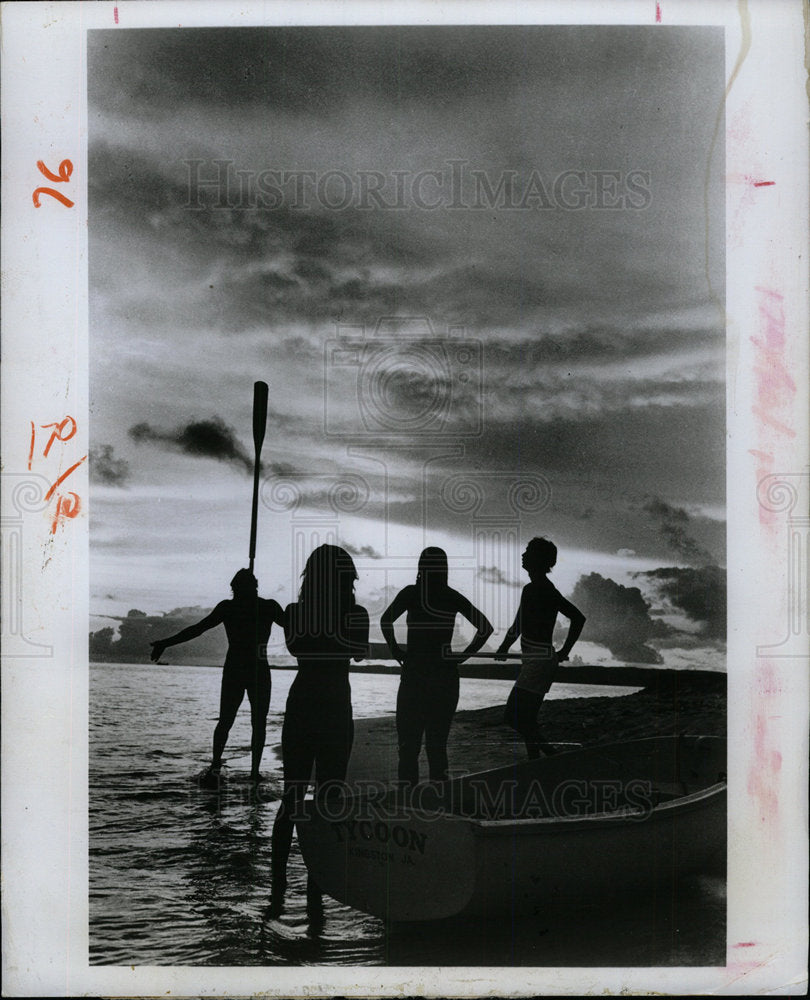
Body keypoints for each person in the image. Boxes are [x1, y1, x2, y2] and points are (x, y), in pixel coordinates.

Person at [267, 544, 369, 919]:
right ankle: (303, 893)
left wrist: (323, 631)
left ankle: (285, 891)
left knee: (301, 799)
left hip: (310, 705)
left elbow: (310, 646)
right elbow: (354, 650)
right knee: (316, 801)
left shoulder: (301, 613)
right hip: (332, 707)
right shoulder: (349, 614)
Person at [149, 569, 284, 785]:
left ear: (250, 587)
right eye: (236, 591)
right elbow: (197, 629)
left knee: (254, 722)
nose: (238, 594)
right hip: (241, 670)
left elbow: (294, 626)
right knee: (229, 720)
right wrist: (166, 642)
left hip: (252, 670)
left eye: (240, 589)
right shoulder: (233, 607)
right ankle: (216, 766)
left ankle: (252, 771)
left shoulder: (267, 607)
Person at [381, 547, 494, 787]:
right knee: (436, 746)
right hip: (443, 675)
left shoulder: (412, 593)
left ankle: (408, 801)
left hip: (416, 674)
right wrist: (464, 656)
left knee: (409, 747)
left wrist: (395, 650)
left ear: (421, 567)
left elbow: (385, 620)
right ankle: (438, 802)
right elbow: (485, 627)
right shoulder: (450, 596)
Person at [495, 537, 585, 758]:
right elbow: (520, 625)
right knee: (527, 719)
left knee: (513, 716)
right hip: (539, 659)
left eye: (528, 552)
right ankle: (536, 762)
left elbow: (518, 626)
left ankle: (551, 756)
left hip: (539, 661)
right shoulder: (542, 588)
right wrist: (562, 652)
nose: (523, 555)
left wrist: (504, 648)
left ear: (538, 559)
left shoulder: (538, 589)